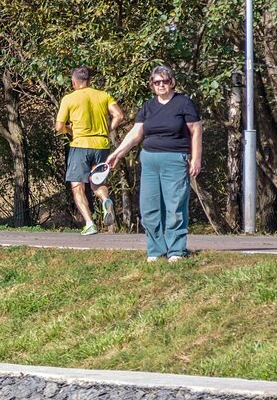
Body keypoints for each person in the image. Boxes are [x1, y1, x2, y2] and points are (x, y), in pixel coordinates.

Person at [105, 65, 203, 262]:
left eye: (164, 81)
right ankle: (156, 250)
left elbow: (196, 131)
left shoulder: (184, 103)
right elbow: (136, 134)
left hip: (175, 158)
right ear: (152, 84)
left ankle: (176, 250)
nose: (161, 85)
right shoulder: (149, 106)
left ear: (172, 82)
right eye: (156, 82)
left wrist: (196, 158)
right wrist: (117, 153)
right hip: (149, 160)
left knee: (174, 205)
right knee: (149, 207)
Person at [55, 66, 125, 236]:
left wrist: (70, 131)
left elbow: (59, 127)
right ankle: (105, 199)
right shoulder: (103, 95)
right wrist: (107, 129)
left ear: (73, 82)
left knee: (77, 186)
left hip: (80, 145)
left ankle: (89, 223)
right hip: (101, 145)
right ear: (90, 81)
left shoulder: (69, 98)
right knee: (98, 182)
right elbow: (119, 115)